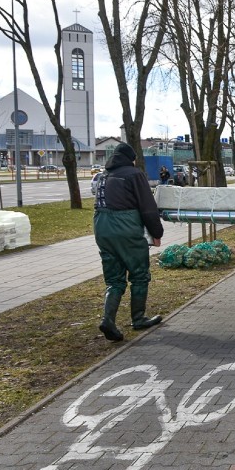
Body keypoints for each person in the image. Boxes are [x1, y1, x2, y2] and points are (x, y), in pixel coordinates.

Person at [93, 143, 165, 342]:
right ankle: (138, 318)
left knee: (114, 280)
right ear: (130, 158)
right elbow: (147, 206)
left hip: (101, 226)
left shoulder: (102, 176)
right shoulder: (134, 174)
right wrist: (156, 232)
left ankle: (108, 319)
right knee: (139, 274)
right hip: (125, 226)